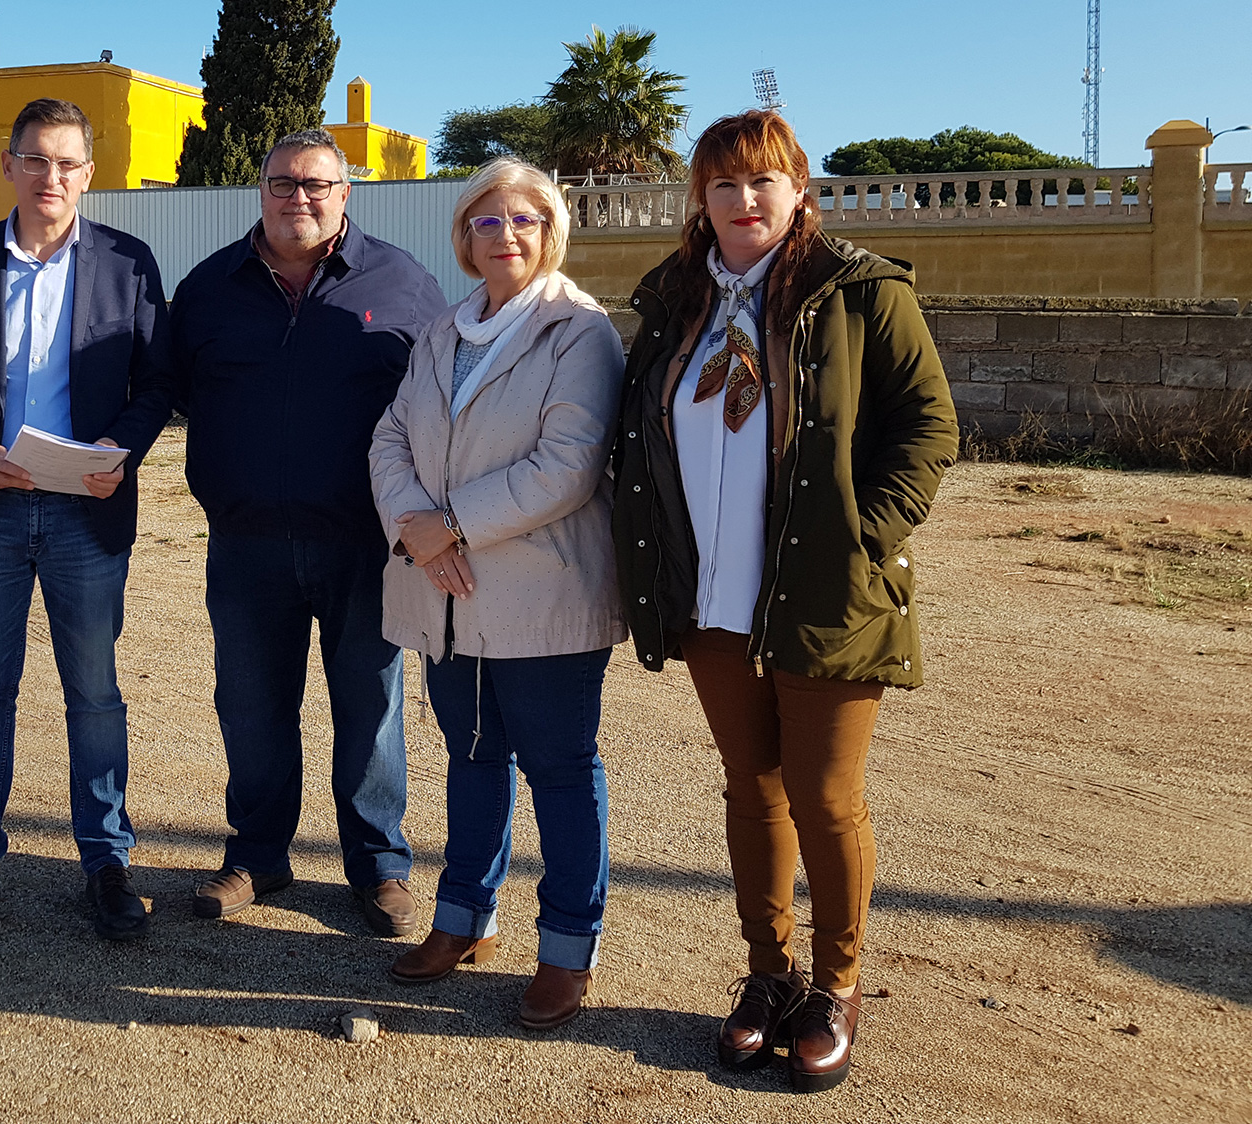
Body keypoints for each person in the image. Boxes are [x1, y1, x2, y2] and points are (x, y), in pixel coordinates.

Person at [611, 110, 957, 1092]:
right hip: (711, 601)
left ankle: (836, 987)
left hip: (821, 595)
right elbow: (639, 436)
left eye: (763, 181)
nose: (744, 200)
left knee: (822, 796)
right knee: (749, 789)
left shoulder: (857, 292)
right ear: (700, 199)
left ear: (798, 190)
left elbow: (926, 426)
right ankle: (768, 975)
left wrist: (862, 536)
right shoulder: (674, 299)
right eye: (724, 184)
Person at [0, 97, 174, 946]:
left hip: (83, 513)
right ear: (11, 165)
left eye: (68, 163)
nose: (52, 177)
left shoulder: (129, 263)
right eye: (36, 160)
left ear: (89, 175)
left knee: (95, 696)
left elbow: (158, 383)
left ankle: (105, 863)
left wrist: (118, 449)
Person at [367, 157, 627, 1028]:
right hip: (446, 596)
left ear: (549, 230)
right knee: (473, 762)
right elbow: (392, 434)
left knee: (557, 769)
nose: (505, 235)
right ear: (465, 237)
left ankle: (567, 948)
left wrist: (450, 524)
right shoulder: (446, 328)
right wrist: (414, 526)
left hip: (539, 597)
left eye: (523, 219)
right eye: (487, 221)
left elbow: (567, 465)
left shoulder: (579, 332)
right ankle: (462, 919)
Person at [169, 127, 448, 937]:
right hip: (247, 541)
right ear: (260, 190)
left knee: (370, 705)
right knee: (251, 705)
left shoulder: (403, 283)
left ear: (345, 193)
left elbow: (430, 403)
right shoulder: (211, 286)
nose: (300, 198)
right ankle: (258, 855)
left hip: (366, 543)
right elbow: (185, 388)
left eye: (317, 185)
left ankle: (379, 866)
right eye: (284, 183)